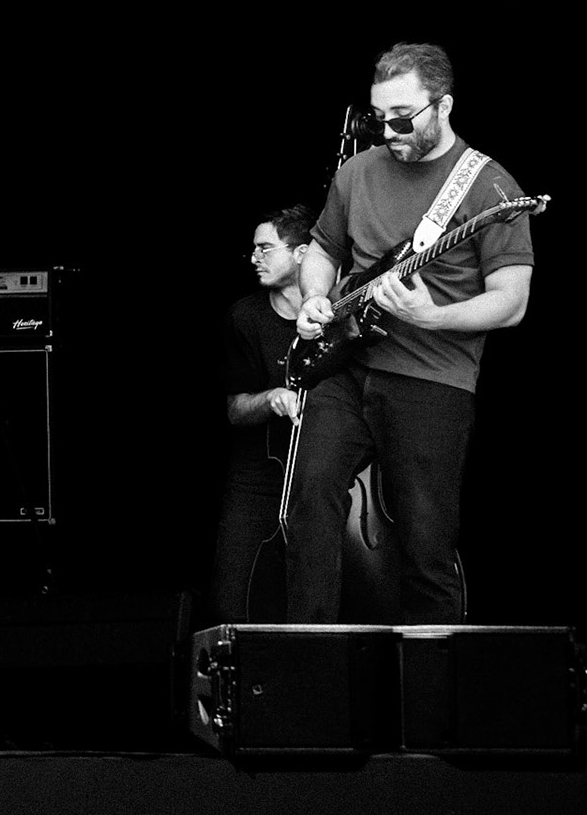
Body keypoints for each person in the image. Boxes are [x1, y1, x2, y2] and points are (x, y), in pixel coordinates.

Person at [288, 43, 535, 623]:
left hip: (432, 382)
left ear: (443, 106)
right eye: (379, 118)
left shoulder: (489, 188)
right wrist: (315, 296)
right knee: (308, 504)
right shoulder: (358, 171)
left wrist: (432, 316)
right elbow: (323, 248)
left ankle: (433, 690)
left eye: (404, 118)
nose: (389, 131)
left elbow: (512, 302)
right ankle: (311, 657)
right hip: (347, 367)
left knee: (426, 546)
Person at [206, 205, 312, 624]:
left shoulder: (339, 309)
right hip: (258, 477)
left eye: (265, 248)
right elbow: (234, 410)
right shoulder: (246, 316)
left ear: (302, 253)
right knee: (232, 598)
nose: (254, 258)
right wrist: (272, 398)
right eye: (254, 249)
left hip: (329, 476)